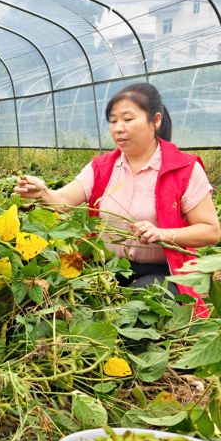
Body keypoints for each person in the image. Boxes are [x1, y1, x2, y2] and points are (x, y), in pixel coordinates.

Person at [14, 82, 220, 308]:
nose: (118, 128)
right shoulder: (102, 167)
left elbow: (211, 231)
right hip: (106, 269)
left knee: (140, 304)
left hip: (162, 272)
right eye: (113, 121)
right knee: (59, 300)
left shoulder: (183, 169)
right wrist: (43, 192)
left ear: (155, 121)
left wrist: (163, 233)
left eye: (128, 119)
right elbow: (63, 202)